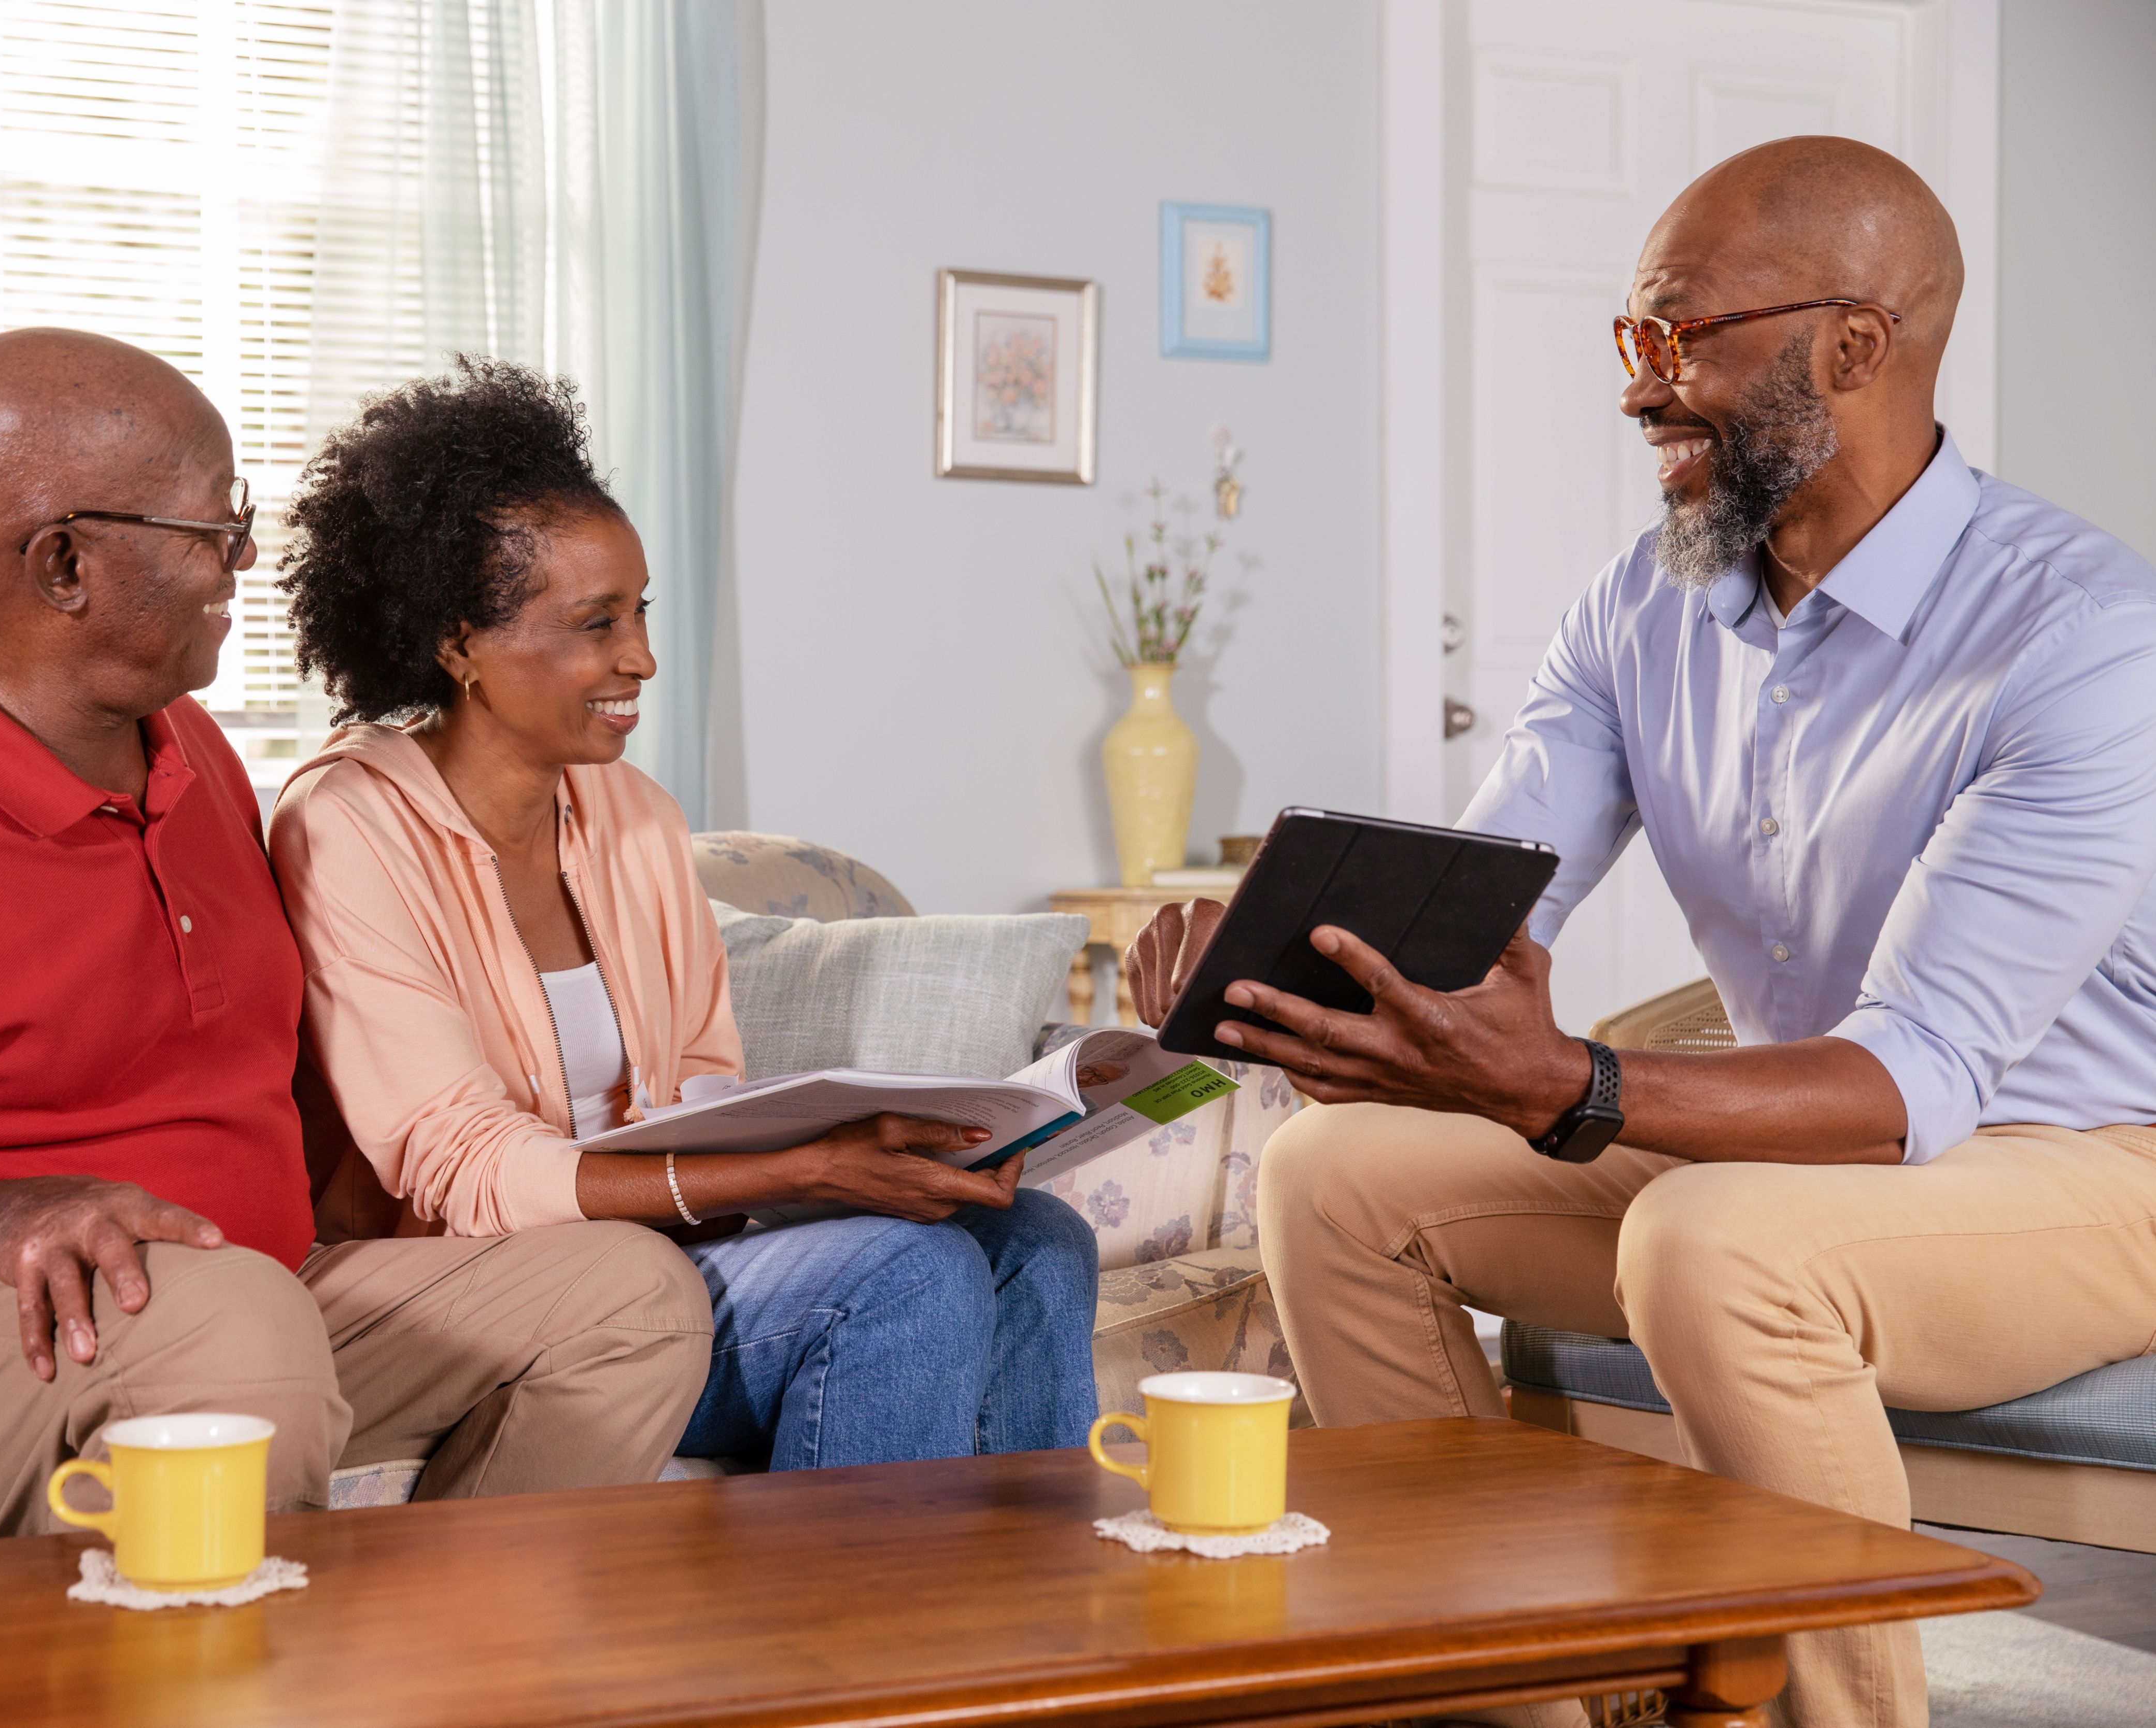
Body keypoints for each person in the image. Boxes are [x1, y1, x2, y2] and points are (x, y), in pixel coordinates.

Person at [1127, 137, 2156, 1728]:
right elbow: (1478, 907)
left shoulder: (2085, 636)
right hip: (1802, 1137)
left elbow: (1916, 1075)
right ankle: (1522, 1695)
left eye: (1680, 339)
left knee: (1718, 1241)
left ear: (1854, 346)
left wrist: (1570, 1087)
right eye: (1633, 343)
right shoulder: (1645, 605)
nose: (1639, 392)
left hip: (2089, 1158)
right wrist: (1289, 973)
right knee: (1328, 1180)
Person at [0, 329, 713, 1545]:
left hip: (218, 1299)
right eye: (214, 530)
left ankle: (444, 1676)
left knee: (626, 1292)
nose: (247, 558)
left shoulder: (187, 751)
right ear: (66, 563)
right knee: (234, 1330)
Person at [268, 357, 1098, 1472]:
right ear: (456, 640)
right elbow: (459, 1168)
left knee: (1037, 1238)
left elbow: (699, 1083)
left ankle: (1034, 1624)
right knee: (908, 1272)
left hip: (664, 1250)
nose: (640, 658)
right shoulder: (347, 824)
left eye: (640, 611)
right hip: (481, 1289)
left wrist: (839, 1149)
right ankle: (859, 1642)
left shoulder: (633, 816)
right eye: (594, 622)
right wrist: (798, 1175)